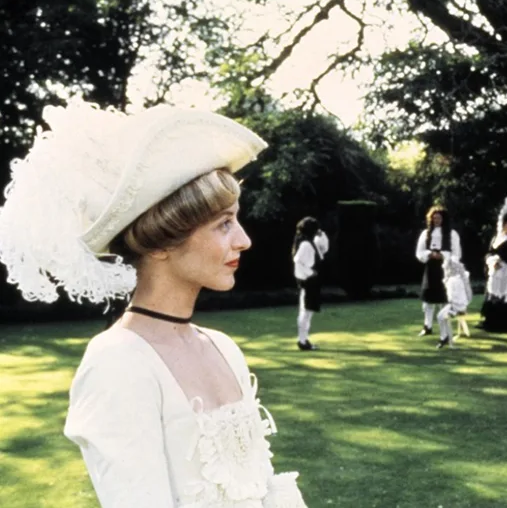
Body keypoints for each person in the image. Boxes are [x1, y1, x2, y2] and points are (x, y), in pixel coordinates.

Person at [0, 103, 308, 508]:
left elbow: (264, 489)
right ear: (162, 243)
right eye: (223, 224)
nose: (244, 240)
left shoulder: (223, 348)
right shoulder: (118, 363)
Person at [414, 205, 462, 336]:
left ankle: (444, 329)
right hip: (431, 269)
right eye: (434, 218)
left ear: (443, 219)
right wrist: (429, 254)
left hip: (445, 269)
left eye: (439, 218)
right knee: (428, 300)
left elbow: (457, 253)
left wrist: (443, 255)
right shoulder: (426, 234)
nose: (436, 220)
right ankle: (427, 326)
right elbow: (419, 252)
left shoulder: (452, 234)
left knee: (443, 299)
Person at [479, 194, 507, 332]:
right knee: (495, 295)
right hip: (498, 270)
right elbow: (489, 253)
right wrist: (493, 261)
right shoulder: (496, 239)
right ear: (503, 225)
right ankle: (493, 321)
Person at [292, 216, 329, 351]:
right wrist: (309, 272)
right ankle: (302, 340)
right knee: (305, 311)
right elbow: (297, 260)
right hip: (308, 282)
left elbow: (324, 248)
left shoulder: (310, 242)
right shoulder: (306, 244)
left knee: (308, 312)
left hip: (312, 282)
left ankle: (304, 339)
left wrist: (322, 234)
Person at [435, 254, 473, 348]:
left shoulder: (454, 280)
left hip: (458, 306)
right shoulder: (457, 278)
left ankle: (447, 340)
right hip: (457, 305)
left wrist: (454, 308)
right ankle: (445, 338)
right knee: (441, 317)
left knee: (443, 317)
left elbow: (453, 297)